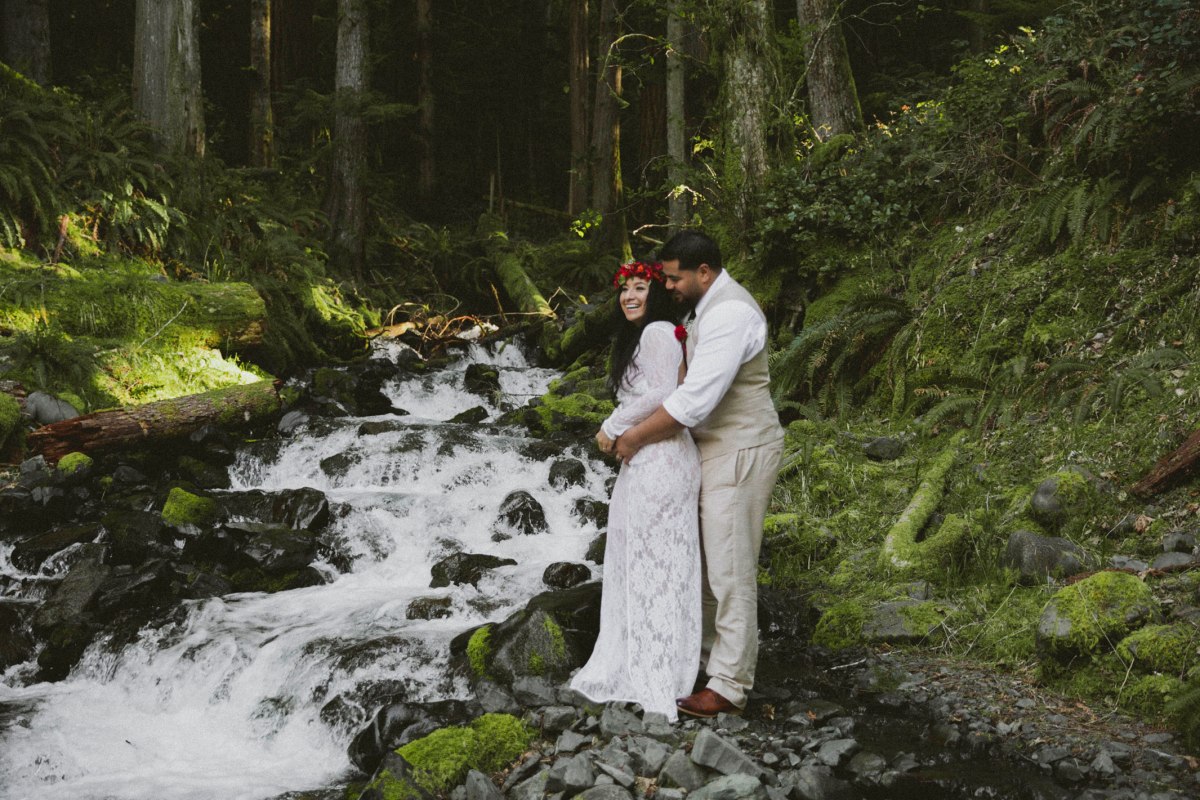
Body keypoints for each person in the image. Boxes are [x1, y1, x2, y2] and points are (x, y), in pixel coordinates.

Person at [612, 231, 784, 718]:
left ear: (703, 272)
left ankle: (730, 684)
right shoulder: (701, 309)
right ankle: (705, 658)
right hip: (709, 449)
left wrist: (633, 437)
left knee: (730, 567)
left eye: (673, 277)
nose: (667, 286)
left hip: (740, 447)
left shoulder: (730, 313)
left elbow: (694, 401)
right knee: (705, 561)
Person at [568, 260, 702, 722]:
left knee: (654, 563)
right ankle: (649, 662)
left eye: (640, 287)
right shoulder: (655, 333)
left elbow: (664, 392)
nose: (629, 296)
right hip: (654, 456)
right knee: (646, 560)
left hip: (660, 458)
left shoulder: (658, 332)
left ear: (657, 292)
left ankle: (657, 674)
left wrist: (611, 426)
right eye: (624, 289)